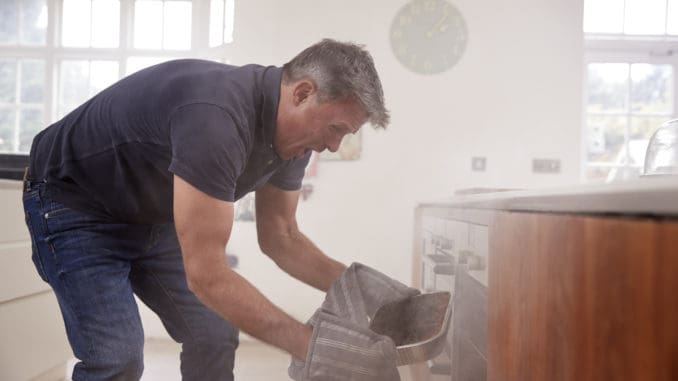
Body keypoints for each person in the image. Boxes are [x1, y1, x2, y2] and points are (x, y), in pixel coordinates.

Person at [22, 39, 389, 380]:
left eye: (346, 135)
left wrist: (378, 295)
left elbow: (283, 237)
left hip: (149, 214)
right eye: (336, 128)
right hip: (74, 204)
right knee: (118, 356)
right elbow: (208, 276)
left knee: (214, 330)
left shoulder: (296, 140)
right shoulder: (215, 117)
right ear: (303, 93)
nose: (333, 145)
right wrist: (314, 347)